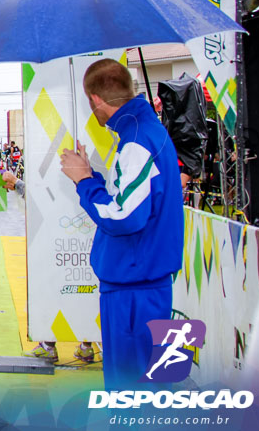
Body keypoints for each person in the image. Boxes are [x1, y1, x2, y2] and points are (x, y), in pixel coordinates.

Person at [59, 59, 183, 389]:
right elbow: (129, 202)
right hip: (137, 283)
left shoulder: (138, 141)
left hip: (135, 289)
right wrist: (91, 177)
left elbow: (125, 217)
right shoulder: (139, 134)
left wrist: (85, 181)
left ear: (95, 100)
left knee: (132, 391)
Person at [1, 171, 96, 364]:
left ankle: (49, 346)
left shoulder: (62, 173)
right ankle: (86, 346)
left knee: (55, 292)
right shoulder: (92, 174)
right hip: (87, 242)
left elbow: (46, 200)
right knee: (85, 292)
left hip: (63, 243)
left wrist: (17, 183)